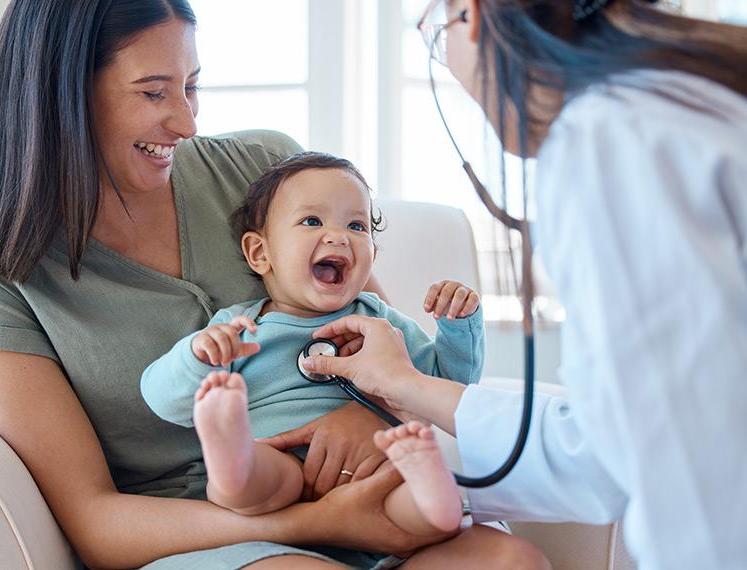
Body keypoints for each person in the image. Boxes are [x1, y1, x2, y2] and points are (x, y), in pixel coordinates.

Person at [0, 1, 551, 568]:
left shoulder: (265, 168)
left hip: (365, 490)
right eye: (154, 91)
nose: (185, 122)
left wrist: (367, 420)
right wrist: (315, 523)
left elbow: (378, 344)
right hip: (207, 534)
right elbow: (95, 520)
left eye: (192, 86)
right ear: (62, 96)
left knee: (510, 562)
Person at [295, 0, 747, 569]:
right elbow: (623, 440)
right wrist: (404, 387)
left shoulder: (613, 142)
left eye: (438, 33)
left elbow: (670, 461)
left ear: (472, 15)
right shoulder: (692, 96)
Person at [141, 152, 482, 536]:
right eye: (312, 221)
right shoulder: (240, 328)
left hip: (375, 466)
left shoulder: (381, 322)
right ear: (260, 253)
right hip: (278, 458)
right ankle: (231, 452)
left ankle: (432, 489)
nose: (339, 235)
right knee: (249, 483)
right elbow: (162, 399)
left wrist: (457, 326)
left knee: (417, 511)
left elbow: (446, 386)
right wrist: (198, 357)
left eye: (357, 225)